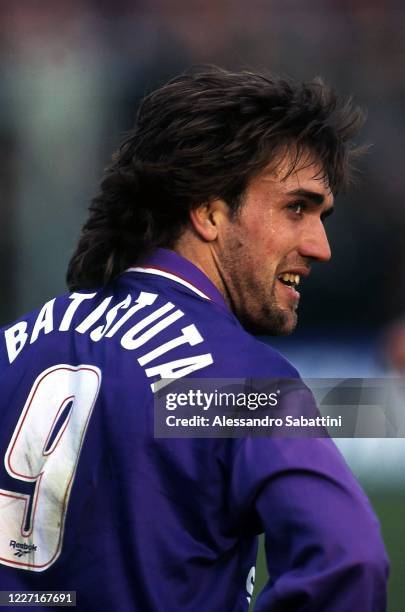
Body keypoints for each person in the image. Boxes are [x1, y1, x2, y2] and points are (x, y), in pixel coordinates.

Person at [0, 67, 388, 611]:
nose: (320, 245)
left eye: (322, 216)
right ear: (209, 212)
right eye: (295, 208)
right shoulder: (239, 384)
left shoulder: (18, 344)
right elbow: (350, 560)